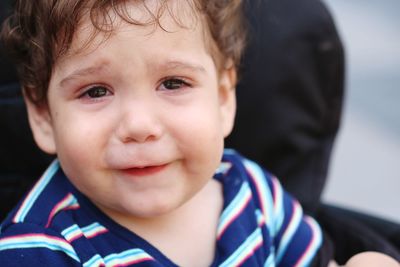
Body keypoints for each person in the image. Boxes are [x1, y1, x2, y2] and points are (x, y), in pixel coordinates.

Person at [0, 1, 397, 266]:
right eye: (96, 91)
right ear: (44, 117)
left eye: (173, 84)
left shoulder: (252, 193)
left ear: (224, 99)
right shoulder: (40, 251)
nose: (140, 126)